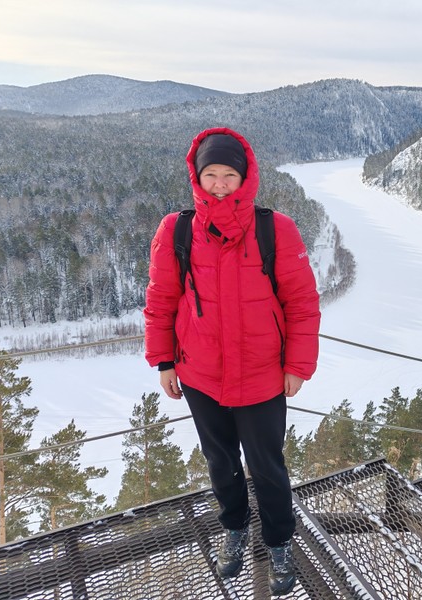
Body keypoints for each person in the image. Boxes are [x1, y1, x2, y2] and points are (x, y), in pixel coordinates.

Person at [143, 127, 321, 595]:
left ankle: (279, 540)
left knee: (267, 464)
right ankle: (235, 528)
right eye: (211, 174)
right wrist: (163, 360)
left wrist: (297, 365)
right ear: (196, 178)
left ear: (246, 178)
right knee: (219, 462)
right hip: (200, 374)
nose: (220, 184)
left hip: (262, 374)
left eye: (229, 175)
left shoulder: (274, 227)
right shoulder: (176, 228)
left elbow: (302, 301)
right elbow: (161, 299)